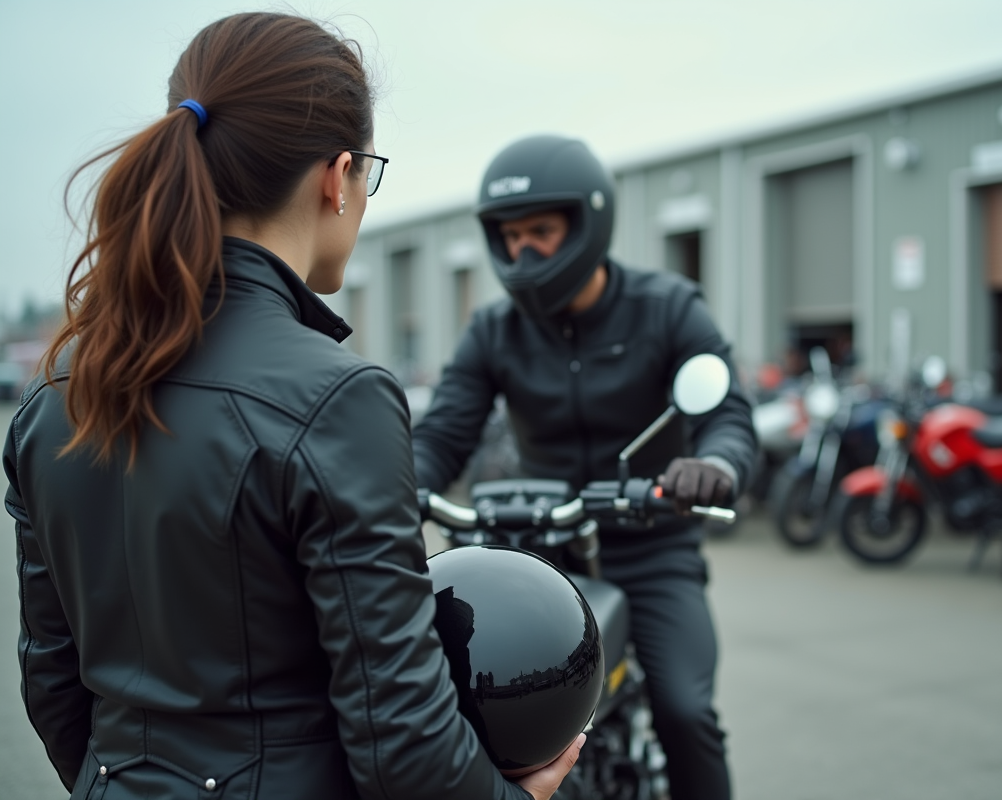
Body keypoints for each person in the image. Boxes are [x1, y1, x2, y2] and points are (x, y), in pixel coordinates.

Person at [2, 14, 579, 800]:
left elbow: (52, 679)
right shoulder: (337, 396)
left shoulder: (58, 388)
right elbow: (402, 735)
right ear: (337, 177)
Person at [412, 134, 757, 800]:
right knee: (463, 702)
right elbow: (444, 431)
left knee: (687, 713)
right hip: (536, 552)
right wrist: (403, 482)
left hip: (650, 545)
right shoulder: (493, 331)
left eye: (541, 230)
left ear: (588, 222)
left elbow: (728, 415)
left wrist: (713, 462)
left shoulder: (667, 306)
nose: (524, 251)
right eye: (511, 236)